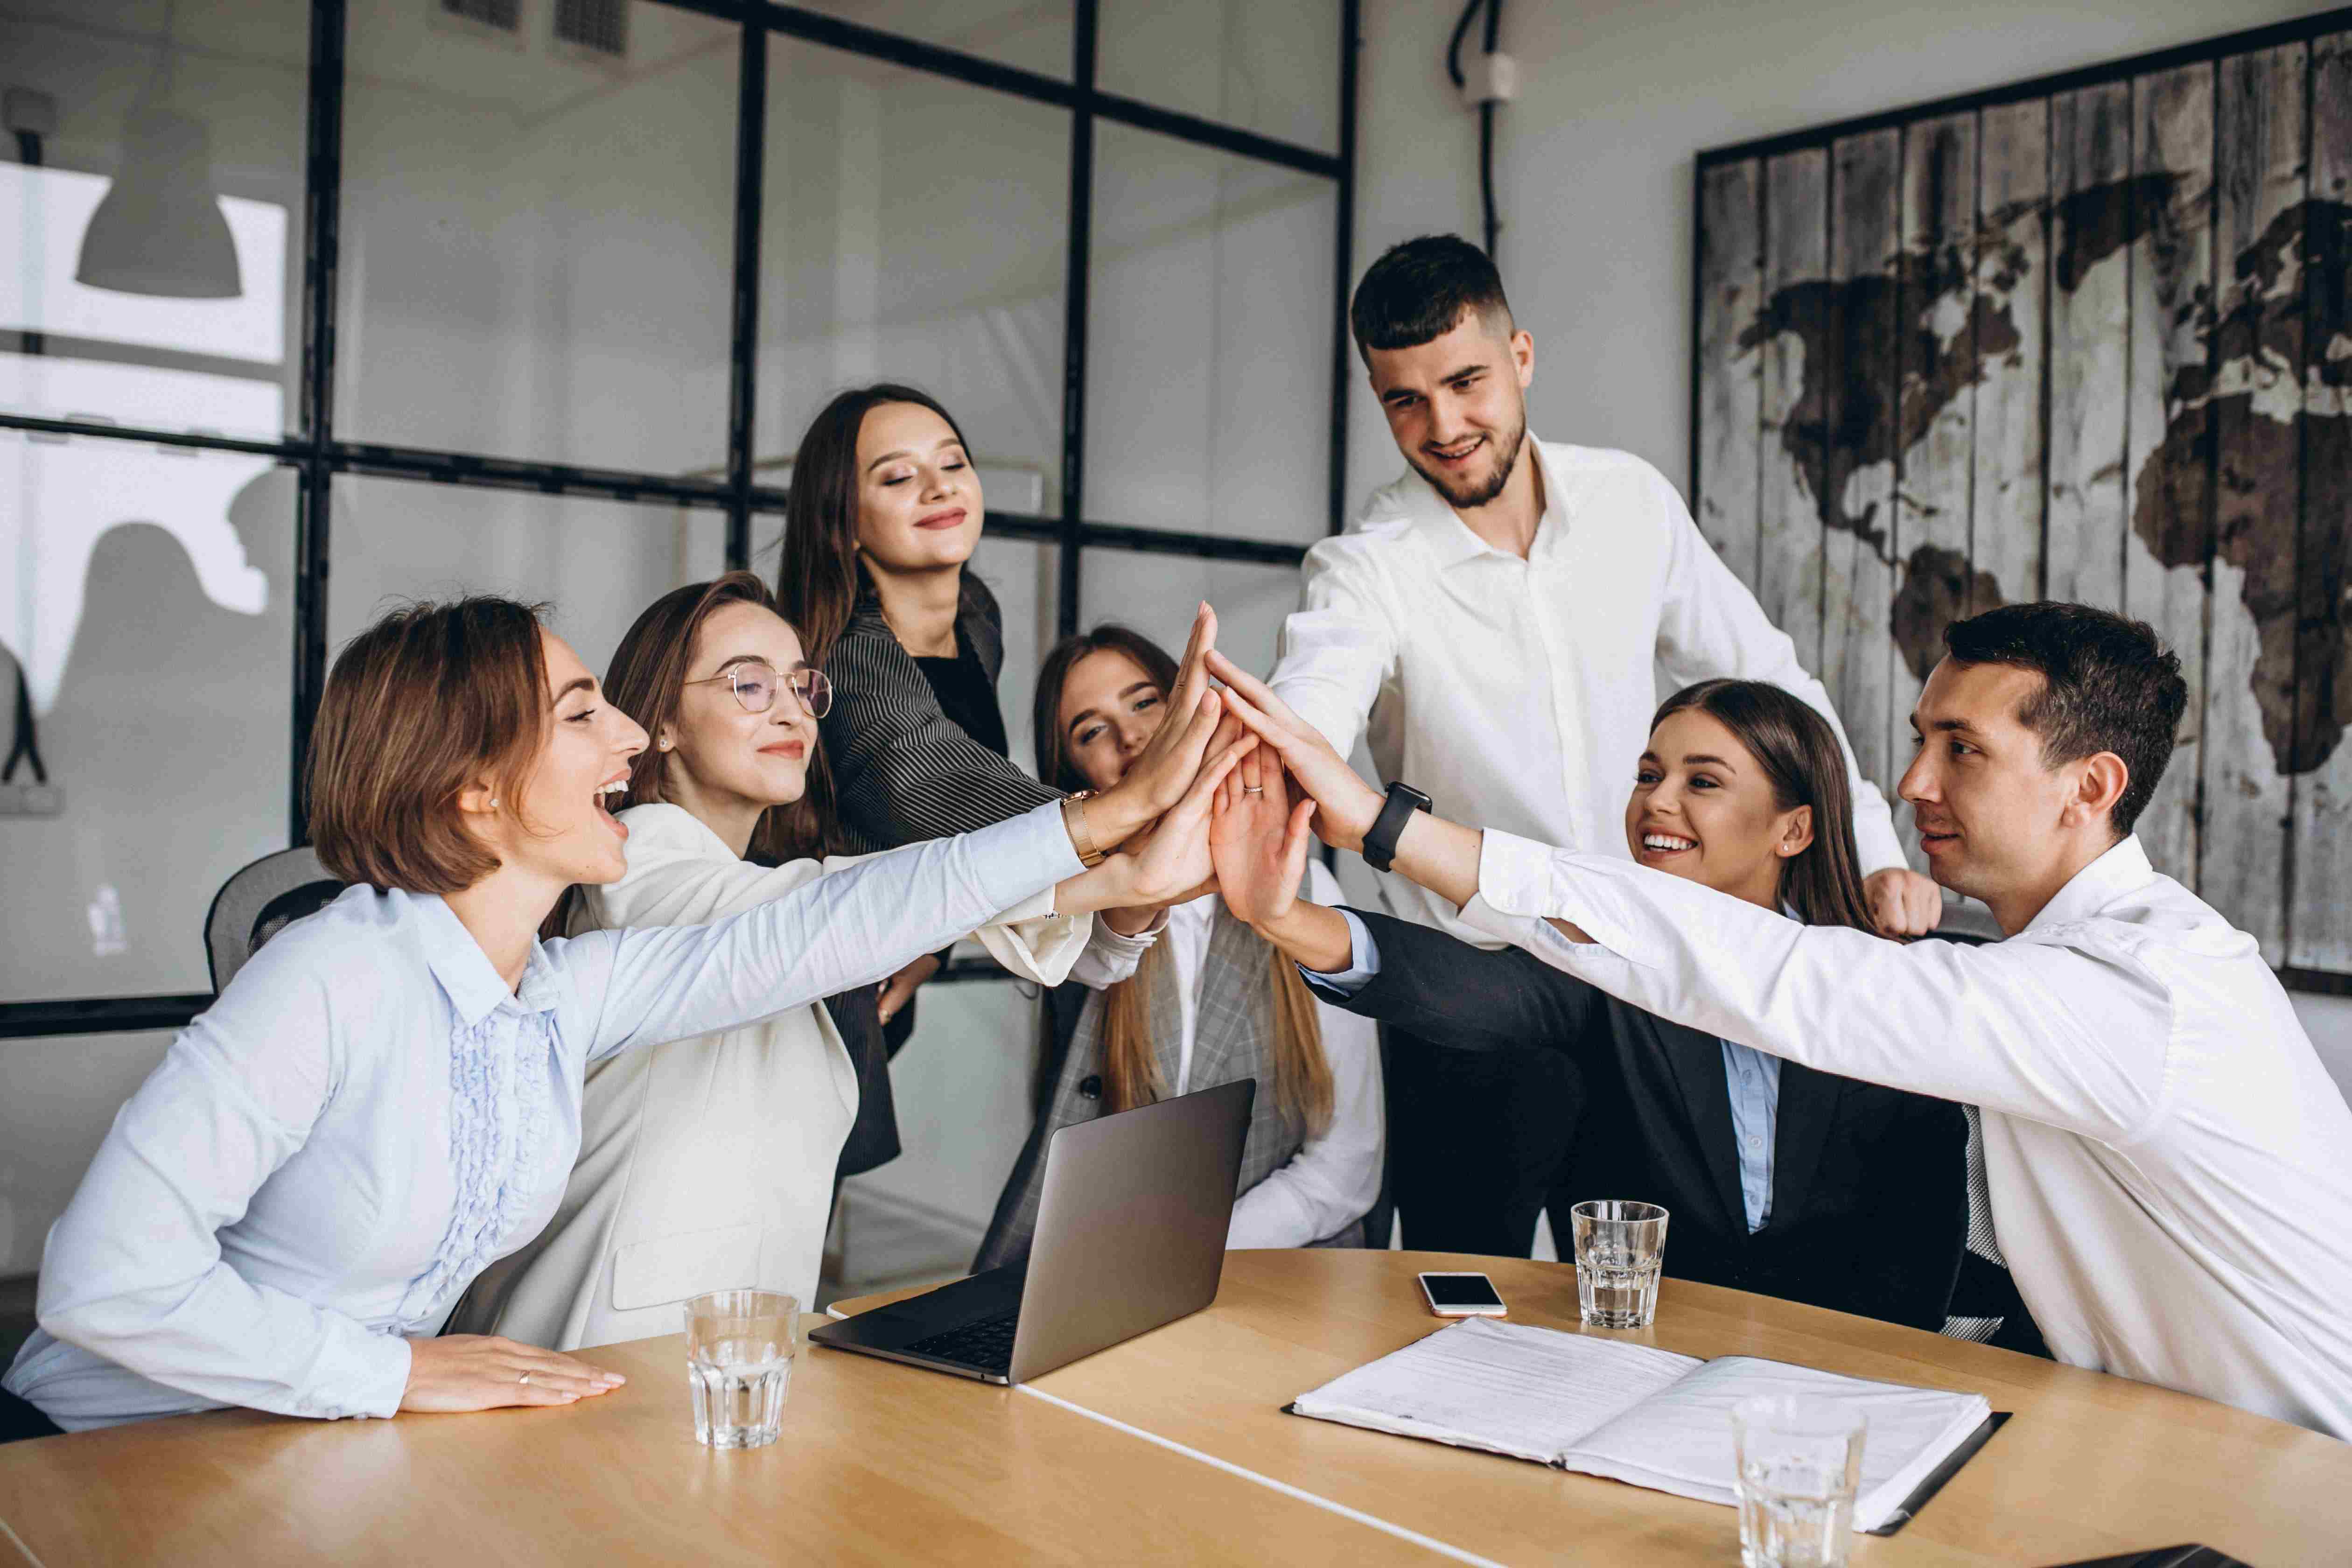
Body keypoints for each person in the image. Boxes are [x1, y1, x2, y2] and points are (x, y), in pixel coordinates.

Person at [1, 594, 1245, 1435]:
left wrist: (1093, 838)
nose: (634, 735)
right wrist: (396, 1372)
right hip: (97, 1453)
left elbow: (810, 931)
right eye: (585, 712)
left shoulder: (560, 996)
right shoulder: (326, 979)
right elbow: (106, 1284)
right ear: (477, 790)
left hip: (309, 1444)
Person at [1207, 604, 2352, 1438]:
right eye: (1921, 738)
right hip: (2177, 1441)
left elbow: (1778, 977)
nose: (1911, 783)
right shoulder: (2058, 967)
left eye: (1965, 750)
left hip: (2296, 1475)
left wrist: (1382, 824)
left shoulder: (2129, 990)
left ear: (2090, 787)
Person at [1265, 234, 1942, 1259]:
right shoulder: (1367, 569)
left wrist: (1877, 854)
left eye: (1467, 382)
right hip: (1470, 1004)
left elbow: (1776, 683)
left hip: (1640, 993)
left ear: (1521, 356)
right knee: (1460, 1306)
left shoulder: (1632, 502)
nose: (1444, 427)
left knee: (1653, 1303)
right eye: (1405, 400)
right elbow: (1308, 708)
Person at [448, 576, 1179, 1350]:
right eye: (750, 684)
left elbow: (1070, 950)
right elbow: (834, 915)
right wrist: (1111, 836)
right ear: (659, 723)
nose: (792, 708)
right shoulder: (643, 863)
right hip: (599, 1353)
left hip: (728, 1360)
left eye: (801, 685)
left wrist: (1133, 890)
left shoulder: (765, 883)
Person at [1215, 678, 1971, 1332]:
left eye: (1701, 782)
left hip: (1841, 1384)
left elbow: (1919, 1242)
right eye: (1648, 776)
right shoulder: (1611, 965)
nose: (1657, 803)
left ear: (1794, 828)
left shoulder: (1879, 992)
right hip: (1639, 1362)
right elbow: (1467, 990)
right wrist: (1283, 918)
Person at [776, 384, 1209, 1166]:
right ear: (843, 524)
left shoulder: (975, 618)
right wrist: (1142, 809)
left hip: (880, 968)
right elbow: (931, 788)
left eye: (953, 463)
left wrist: (934, 945)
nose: (940, 487)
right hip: (793, 982)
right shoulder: (842, 655)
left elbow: (938, 818)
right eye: (897, 477)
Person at [975, 628, 1383, 1268]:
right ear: (1072, 773)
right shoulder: (1078, 914)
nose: (1131, 739)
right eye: (1090, 731)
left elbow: (1347, 1166)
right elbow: (1101, 952)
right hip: (1104, 1263)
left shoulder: (1306, 890)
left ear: (1193, 706)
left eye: (1145, 703)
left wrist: (1186, 1250)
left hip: (1277, 1267)